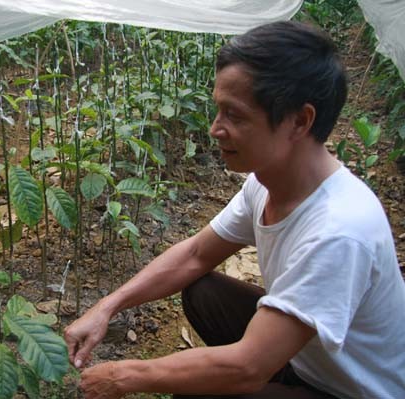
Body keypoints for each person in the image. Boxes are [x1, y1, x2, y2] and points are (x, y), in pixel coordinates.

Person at [64, 20, 405, 399]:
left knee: (203, 390)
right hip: (309, 357)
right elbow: (195, 254)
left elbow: (247, 367)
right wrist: (107, 307)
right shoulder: (266, 181)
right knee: (202, 289)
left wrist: (124, 376)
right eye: (218, 110)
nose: (214, 128)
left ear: (299, 120)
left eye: (235, 115)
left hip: (350, 389)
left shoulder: (340, 231)